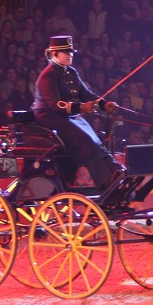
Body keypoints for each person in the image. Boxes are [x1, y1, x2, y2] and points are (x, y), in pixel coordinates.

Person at [31, 35, 124, 191]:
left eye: (71, 52)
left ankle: (115, 170)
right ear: (54, 54)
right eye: (66, 52)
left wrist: (103, 104)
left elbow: (86, 94)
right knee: (85, 139)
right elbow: (55, 104)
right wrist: (81, 107)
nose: (70, 55)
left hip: (68, 116)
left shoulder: (71, 72)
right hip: (51, 117)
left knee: (94, 138)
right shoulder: (49, 75)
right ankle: (104, 182)